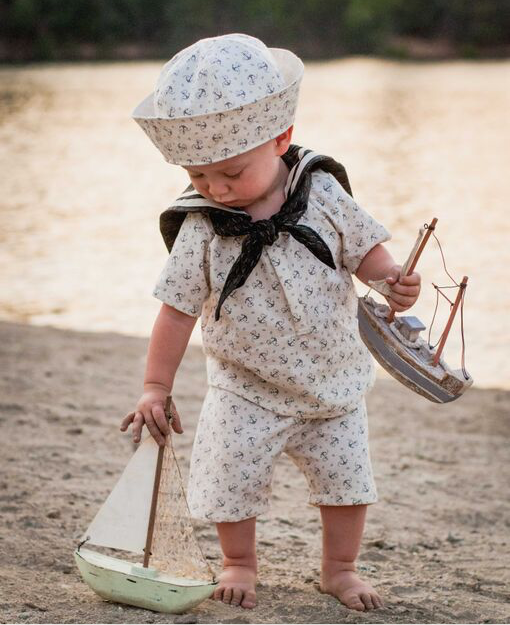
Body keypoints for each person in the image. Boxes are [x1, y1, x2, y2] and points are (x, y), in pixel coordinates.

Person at [121, 33, 421, 612]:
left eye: (231, 173)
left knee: (347, 482)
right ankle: (240, 561)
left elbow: (365, 250)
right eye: (200, 176)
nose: (216, 188)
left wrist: (393, 281)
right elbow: (176, 310)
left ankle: (339, 568)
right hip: (246, 387)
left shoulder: (322, 192)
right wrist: (156, 385)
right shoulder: (202, 225)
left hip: (333, 381)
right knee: (230, 478)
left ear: (281, 138)